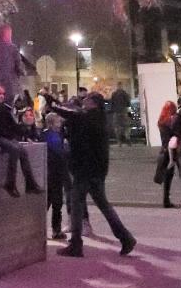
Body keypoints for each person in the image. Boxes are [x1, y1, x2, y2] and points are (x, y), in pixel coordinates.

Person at [54, 92, 136, 258]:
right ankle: (125, 237)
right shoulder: (98, 118)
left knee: (76, 203)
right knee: (103, 204)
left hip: (85, 170)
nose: (84, 102)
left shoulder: (89, 118)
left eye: (87, 100)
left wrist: (53, 105)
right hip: (96, 170)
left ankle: (76, 244)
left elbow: (71, 115)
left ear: (94, 103)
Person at [0, 84, 41, 197]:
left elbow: (12, 125)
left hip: (3, 137)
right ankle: (10, 183)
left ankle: (30, 184)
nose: (2, 96)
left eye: (3, 94)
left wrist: (25, 133)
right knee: (14, 149)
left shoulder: (2, 108)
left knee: (22, 151)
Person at [42, 112, 70, 240]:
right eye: (58, 121)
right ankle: (54, 230)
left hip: (55, 172)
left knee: (54, 202)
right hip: (53, 172)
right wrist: (66, 149)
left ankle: (55, 229)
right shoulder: (49, 135)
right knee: (53, 202)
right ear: (52, 123)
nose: (60, 123)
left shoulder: (54, 134)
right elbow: (59, 151)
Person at [0, 24, 24, 102]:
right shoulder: (13, 49)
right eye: (10, 34)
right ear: (6, 35)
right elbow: (19, 67)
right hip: (10, 87)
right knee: (9, 109)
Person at [156, 100, 178, 208]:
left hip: (164, 149)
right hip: (172, 150)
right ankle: (167, 200)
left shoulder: (161, 122)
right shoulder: (171, 122)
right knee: (173, 175)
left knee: (167, 178)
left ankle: (166, 199)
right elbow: (173, 138)